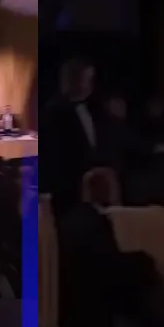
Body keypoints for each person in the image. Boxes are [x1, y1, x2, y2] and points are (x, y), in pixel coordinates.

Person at [42, 57, 101, 215]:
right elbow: (54, 154)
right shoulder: (54, 111)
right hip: (68, 190)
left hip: (91, 187)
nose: (91, 85)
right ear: (74, 80)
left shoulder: (93, 108)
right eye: (87, 80)